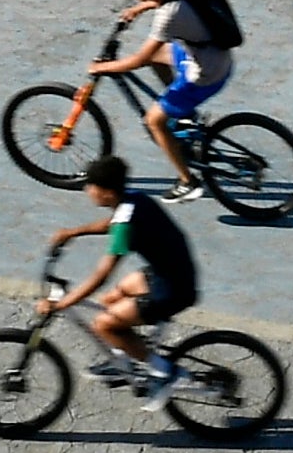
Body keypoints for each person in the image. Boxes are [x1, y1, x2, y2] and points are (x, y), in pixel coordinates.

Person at [39, 155, 200, 403]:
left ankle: (168, 373)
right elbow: (112, 223)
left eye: (91, 185)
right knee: (113, 297)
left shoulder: (126, 223)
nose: (87, 189)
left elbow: (101, 275)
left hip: (173, 289)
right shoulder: (132, 199)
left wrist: (60, 305)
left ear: (106, 193)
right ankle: (123, 359)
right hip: (171, 273)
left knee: (103, 325)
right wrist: (74, 232)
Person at [103, 0, 236, 198]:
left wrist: (103, 68)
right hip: (213, 55)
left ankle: (188, 182)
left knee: (154, 122)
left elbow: (138, 60)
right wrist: (139, 8)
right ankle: (183, 113)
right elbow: (161, 5)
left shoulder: (168, 16)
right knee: (160, 57)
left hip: (205, 72)